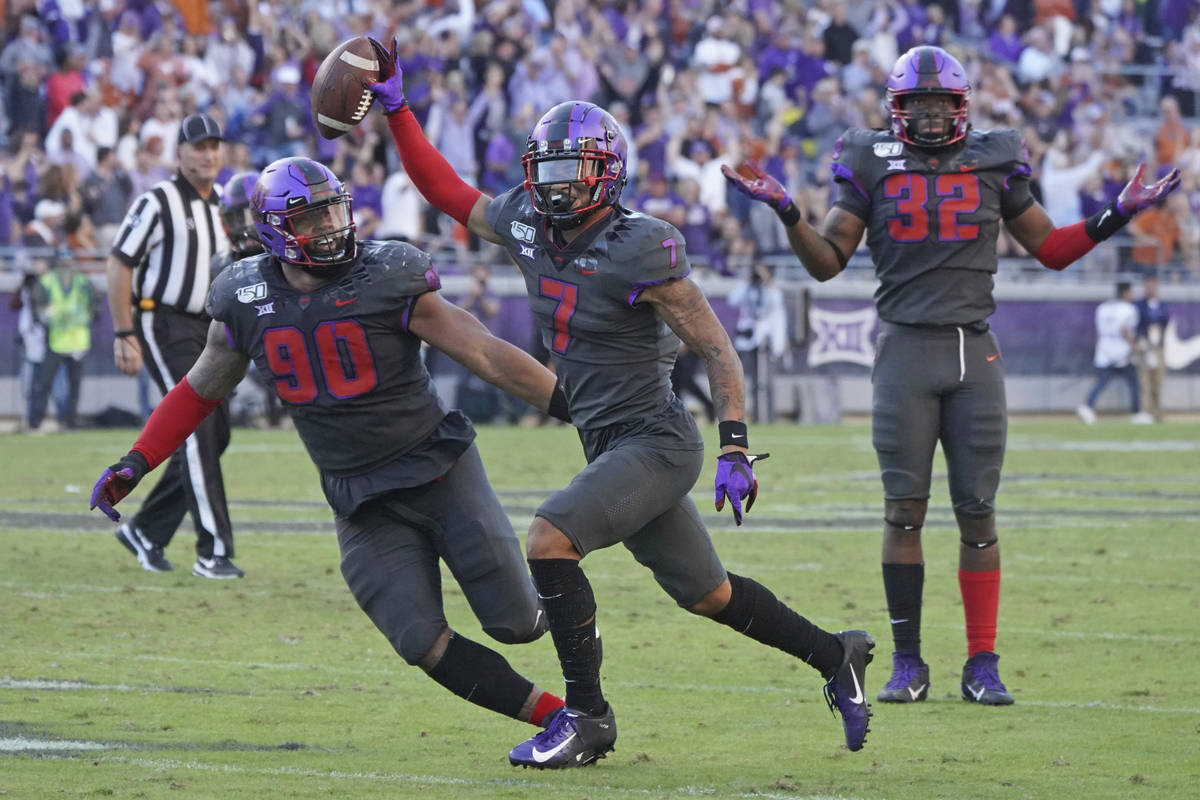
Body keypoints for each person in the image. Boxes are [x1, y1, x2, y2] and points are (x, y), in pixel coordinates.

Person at [368, 42, 876, 767]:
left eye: (571, 173)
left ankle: (587, 718)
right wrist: (398, 110)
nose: (557, 188)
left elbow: (717, 348)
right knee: (710, 594)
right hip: (607, 441)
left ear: (606, 175)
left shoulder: (643, 246)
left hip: (658, 439)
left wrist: (734, 444)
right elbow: (448, 192)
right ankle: (837, 654)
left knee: (548, 539)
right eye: (546, 172)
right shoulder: (526, 226)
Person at [723, 45, 1179, 707]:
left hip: (974, 351)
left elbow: (1050, 249)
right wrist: (789, 212)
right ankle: (908, 663)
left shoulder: (995, 155)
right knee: (903, 511)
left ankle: (982, 663)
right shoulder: (868, 160)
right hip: (905, 350)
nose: (932, 118)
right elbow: (827, 262)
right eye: (920, 106)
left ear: (962, 107)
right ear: (898, 110)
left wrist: (1116, 214)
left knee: (979, 514)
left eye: (942, 105)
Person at [90, 155, 568, 736]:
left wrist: (575, 407)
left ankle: (578, 647)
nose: (330, 227)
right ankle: (559, 717)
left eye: (334, 210)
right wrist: (137, 461)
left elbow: (486, 352)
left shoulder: (388, 275)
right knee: (418, 639)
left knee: (518, 624)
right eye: (311, 219)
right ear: (272, 229)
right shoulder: (244, 298)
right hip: (360, 498)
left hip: (439, 471)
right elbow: (198, 391)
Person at [105, 113, 242, 579]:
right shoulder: (158, 200)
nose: (208, 154)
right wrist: (124, 332)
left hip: (210, 327)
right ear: (179, 153)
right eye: (198, 146)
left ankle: (145, 531)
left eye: (214, 146)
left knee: (215, 434)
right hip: (163, 321)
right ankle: (214, 550)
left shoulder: (225, 203)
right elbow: (120, 262)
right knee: (197, 431)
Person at [28, 246, 96, 431]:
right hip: (56, 340)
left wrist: (88, 318)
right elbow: (37, 305)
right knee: (44, 383)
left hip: (77, 341)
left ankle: (70, 421)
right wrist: (43, 318)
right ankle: (36, 421)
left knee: (74, 386)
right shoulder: (47, 281)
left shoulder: (82, 282)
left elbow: (94, 306)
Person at [727, 262, 788, 422]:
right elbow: (731, 300)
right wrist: (748, 284)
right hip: (745, 339)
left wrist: (766, 287)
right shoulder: (747, 289)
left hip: (763, 341)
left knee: (766, 382)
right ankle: (747, 414)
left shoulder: (772, 292)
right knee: (739, 379)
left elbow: (772, 310)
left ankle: (768, 416)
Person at [1077, 282, 1145, 424]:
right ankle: (1137, 413)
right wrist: (1135, 345)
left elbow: (1099, 332)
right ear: (1125, 293)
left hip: (1104, 351)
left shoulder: (1103, 307)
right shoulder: (1129, 309)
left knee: (1101, 382)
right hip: (1121, 352)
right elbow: (1124, 331)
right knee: (1134, 383)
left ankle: (1087, 407)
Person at [1134, 274, 1169, 422]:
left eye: (1154, 286)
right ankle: (1144, 411)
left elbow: (1164, 325)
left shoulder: (1162, 306)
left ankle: (1157, 411)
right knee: (1143, 381)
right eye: (1149, 285)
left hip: (1158, 347)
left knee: (1157, 381)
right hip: (1144, 346)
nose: (1152, 288)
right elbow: (1134, 324)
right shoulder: (1138, 305)